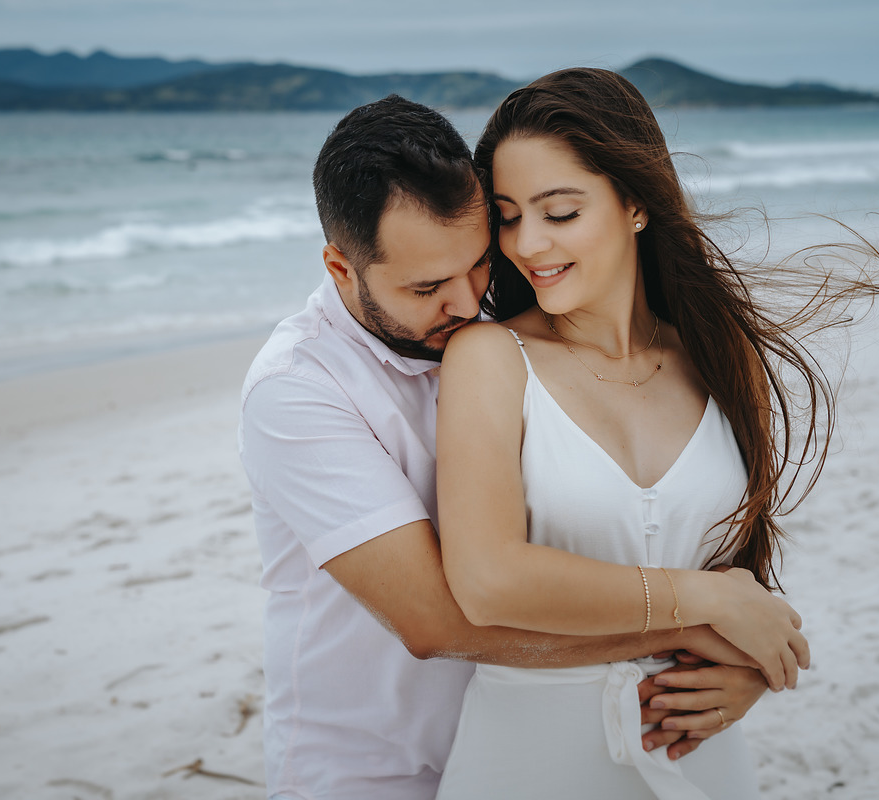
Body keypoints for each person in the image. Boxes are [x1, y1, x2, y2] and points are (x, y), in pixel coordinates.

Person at [239, 94, 782, 800]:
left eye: (477, 263)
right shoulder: (297, 390)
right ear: (342, 269)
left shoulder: (510, 317)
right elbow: (437, 621)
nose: (467, 303)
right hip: (369, 765)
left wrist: (739, 659)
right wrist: (701, 623)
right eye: (428, 287)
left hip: (523, 733)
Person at [434, 67, 879, 798]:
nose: (527, 243)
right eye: (507, 215)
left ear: (636, 204)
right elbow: (488, 580)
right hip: (528, 760)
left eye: (560, 212)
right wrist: (704, 605)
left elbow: (743, 573)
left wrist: (748, 670)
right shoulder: (491, 358)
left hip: (700, 754)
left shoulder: (718, 357)